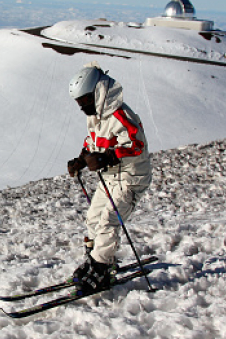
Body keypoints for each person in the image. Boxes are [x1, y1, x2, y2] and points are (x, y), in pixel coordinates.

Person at [66, 62, 152, 292]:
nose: (82, 106)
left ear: (98, 92)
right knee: (93, 219)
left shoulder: (120, 114)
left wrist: (108, 158)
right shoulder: (96, 116)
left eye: (84, 100)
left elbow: (137, 144)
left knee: (108, 221)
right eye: (79, 102)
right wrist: (81, 160)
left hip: (131, 177)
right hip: (111, 177)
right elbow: (93, 143)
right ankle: (96, 260)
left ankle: (102, 268)